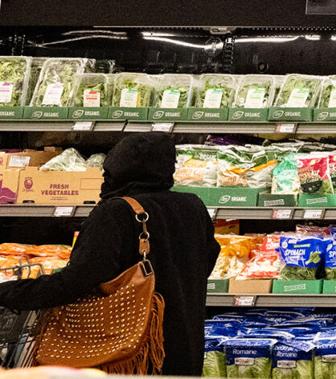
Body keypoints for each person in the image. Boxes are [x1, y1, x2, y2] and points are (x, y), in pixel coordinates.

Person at [0, 133, 219, 376]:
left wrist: (12, 292)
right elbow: (207, 260)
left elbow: (78, 280)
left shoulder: (117, 212)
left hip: (132, 354)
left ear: (118, 167)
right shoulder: (193, 206)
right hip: (185, 345)